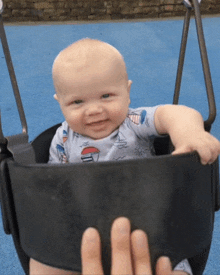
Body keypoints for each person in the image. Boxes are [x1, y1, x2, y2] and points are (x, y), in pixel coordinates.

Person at [30, 38, 220, 274]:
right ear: (60, 103)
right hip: (85, 233)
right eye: (77, 102)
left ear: (127, 92)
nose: (94, 110)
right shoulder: (63, 139)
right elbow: (52, 186)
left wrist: (189, 134)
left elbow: (175, 113)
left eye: (107, 96)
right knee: (41, 261)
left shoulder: (134, 122)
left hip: (152, 230)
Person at [30, 217, 188, 275]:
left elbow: (167, 140)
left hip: (150, 229)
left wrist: (184, 140)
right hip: (80, 225)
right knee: (45, 257)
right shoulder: (63, 142)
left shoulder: (139, 140)